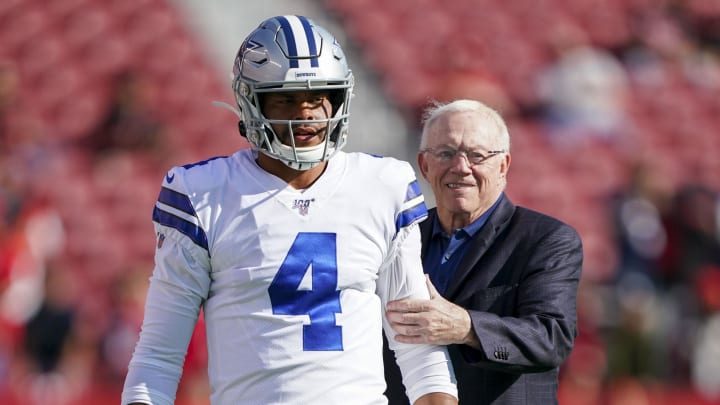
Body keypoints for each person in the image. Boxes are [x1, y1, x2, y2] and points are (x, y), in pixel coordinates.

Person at [121, 15, 457, 405]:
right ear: (252, 101)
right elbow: (160, 356)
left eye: (319, 96)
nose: (307, 113)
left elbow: (418, 346)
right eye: (287, 98)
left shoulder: (383, 186)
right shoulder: (203, 195)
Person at [383, 99, 583, 404]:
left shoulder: (546, 240)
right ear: (424, 165)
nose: (461, 167)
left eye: (476, 155)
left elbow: (551, 337)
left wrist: (466, 326)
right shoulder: (397, 239)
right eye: (446, 153)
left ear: (503, 166)